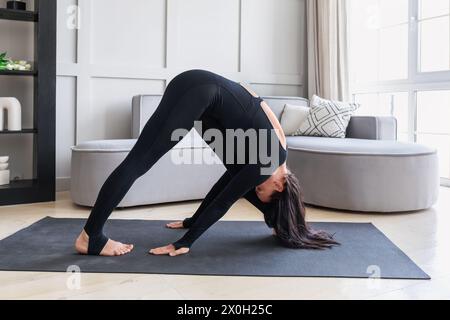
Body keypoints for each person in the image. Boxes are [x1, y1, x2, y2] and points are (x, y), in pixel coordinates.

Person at [75, 69, 339, 257]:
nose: (257, 191)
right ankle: (91, 237)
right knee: (138, 163)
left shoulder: (271, 155)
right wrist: (185, 243)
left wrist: (192, 221)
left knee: (140, 164)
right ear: (280, 187)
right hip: (198, 91)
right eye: (264, 193)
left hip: (200, 92)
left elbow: (224, 190)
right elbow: (224, 202)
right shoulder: (268, 161)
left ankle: (92, 235)